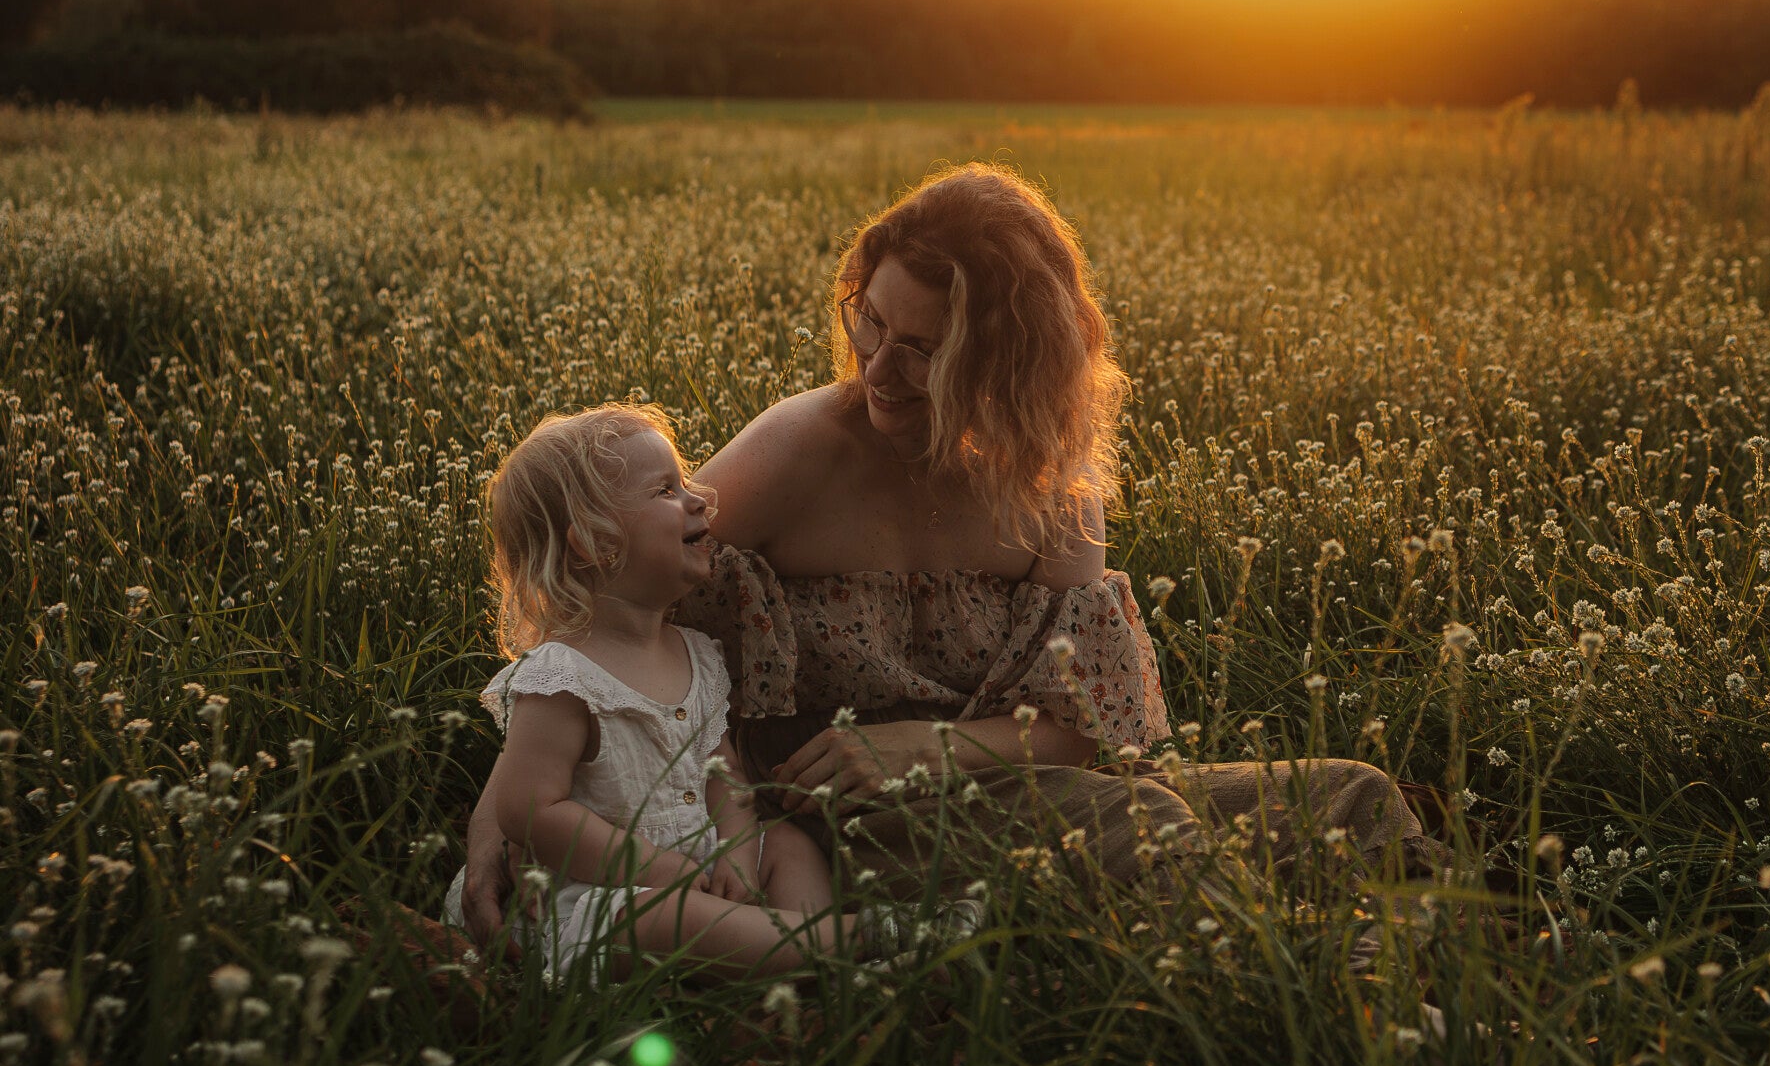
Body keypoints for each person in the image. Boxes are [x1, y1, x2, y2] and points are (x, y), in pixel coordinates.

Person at [461, 165, 1419, 942]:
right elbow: (597, 610)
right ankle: (1308, 992)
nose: (879, 368)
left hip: (1008, 792)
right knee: (1153, 829)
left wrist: (927, 748)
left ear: (1006, 362)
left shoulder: (1054, 489)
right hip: (835, 831)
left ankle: (1416, 965)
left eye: (924, 349)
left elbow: (1080, 724)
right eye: (872, 322)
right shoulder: (801, 450)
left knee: (1356, 797)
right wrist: (491, 826)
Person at [444, 401, 846, 977]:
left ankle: (809, 956)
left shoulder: (696, 653)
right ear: (593, 541)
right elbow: (530, 809)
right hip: (599, 892)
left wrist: (737, 853)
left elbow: (724, 775)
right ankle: (857, 943)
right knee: (657, 917)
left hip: (696, 862)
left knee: (788, 844)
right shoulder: (562, 675)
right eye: (665, 491)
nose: (699, 499)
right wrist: (653, 869)